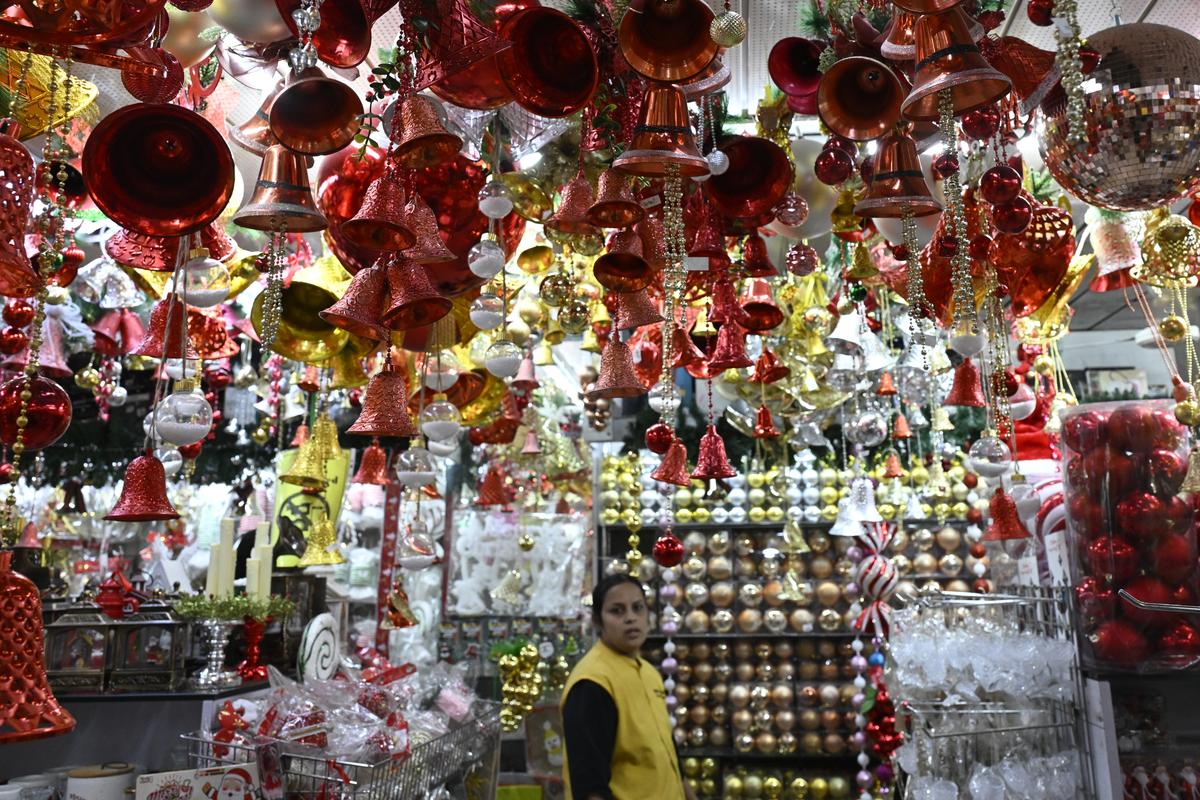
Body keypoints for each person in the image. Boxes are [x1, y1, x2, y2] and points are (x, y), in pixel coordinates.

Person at [560, 574, 695, 800]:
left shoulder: (649, 673)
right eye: (617, 611)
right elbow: (590, 786)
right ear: (597, 621)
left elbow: (668, 757)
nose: (631, 618)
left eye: (637, 608)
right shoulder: (592, 683)